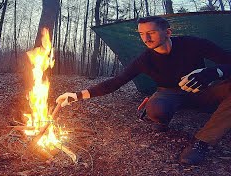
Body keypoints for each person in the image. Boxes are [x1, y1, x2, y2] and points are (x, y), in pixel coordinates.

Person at [56, 16, 231, 165]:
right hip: (169, 93)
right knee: (157, 108)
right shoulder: (145, 60)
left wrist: (214, 72)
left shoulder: (193, 44)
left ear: (168, 32)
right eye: (141, 34)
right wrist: (76, 96)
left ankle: (202, 142)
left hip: (202, 91)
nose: (146, 39)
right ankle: (159, 117)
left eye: (151, 33)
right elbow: (116, 82)